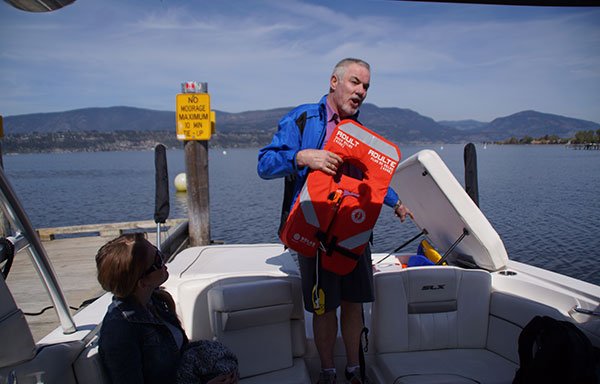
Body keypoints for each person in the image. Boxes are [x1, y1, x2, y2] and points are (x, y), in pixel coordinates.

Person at [257, 58, 413, 384]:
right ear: (334, 81)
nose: (361, 92)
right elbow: (265, 164)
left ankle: (354, 369)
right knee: (324, 306)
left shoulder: (359, 131)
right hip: (313, 229)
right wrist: (302, 157)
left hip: (354, 230)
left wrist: (396, 203)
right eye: (355, 82)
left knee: (353, 303)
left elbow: (370, 178)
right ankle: (328, 371)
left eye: (366, 86)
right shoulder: (302, 119)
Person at [96, 233, 238, 384]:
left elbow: (179, 355)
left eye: (157, 251)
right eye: (157, 259)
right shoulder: (120, 332)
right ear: (142, 282)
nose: (163, 257)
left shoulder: (154, 302)